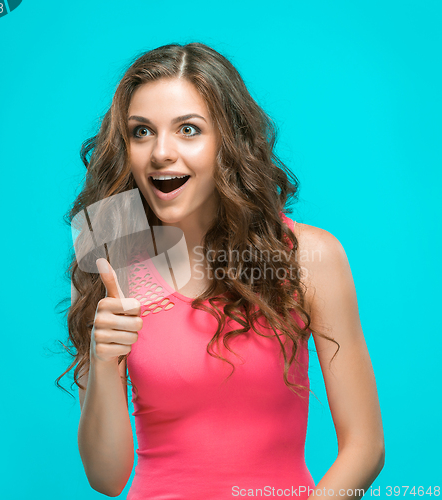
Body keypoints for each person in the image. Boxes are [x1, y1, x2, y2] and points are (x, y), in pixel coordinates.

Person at [58, 42, 385, 499]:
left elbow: (365, 447)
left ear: (227, 140)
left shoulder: (309, 256)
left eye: (188, 129)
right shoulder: (108, 262)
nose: (161, 153)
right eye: (141, 132)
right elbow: (107, 478)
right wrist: (103, 355)